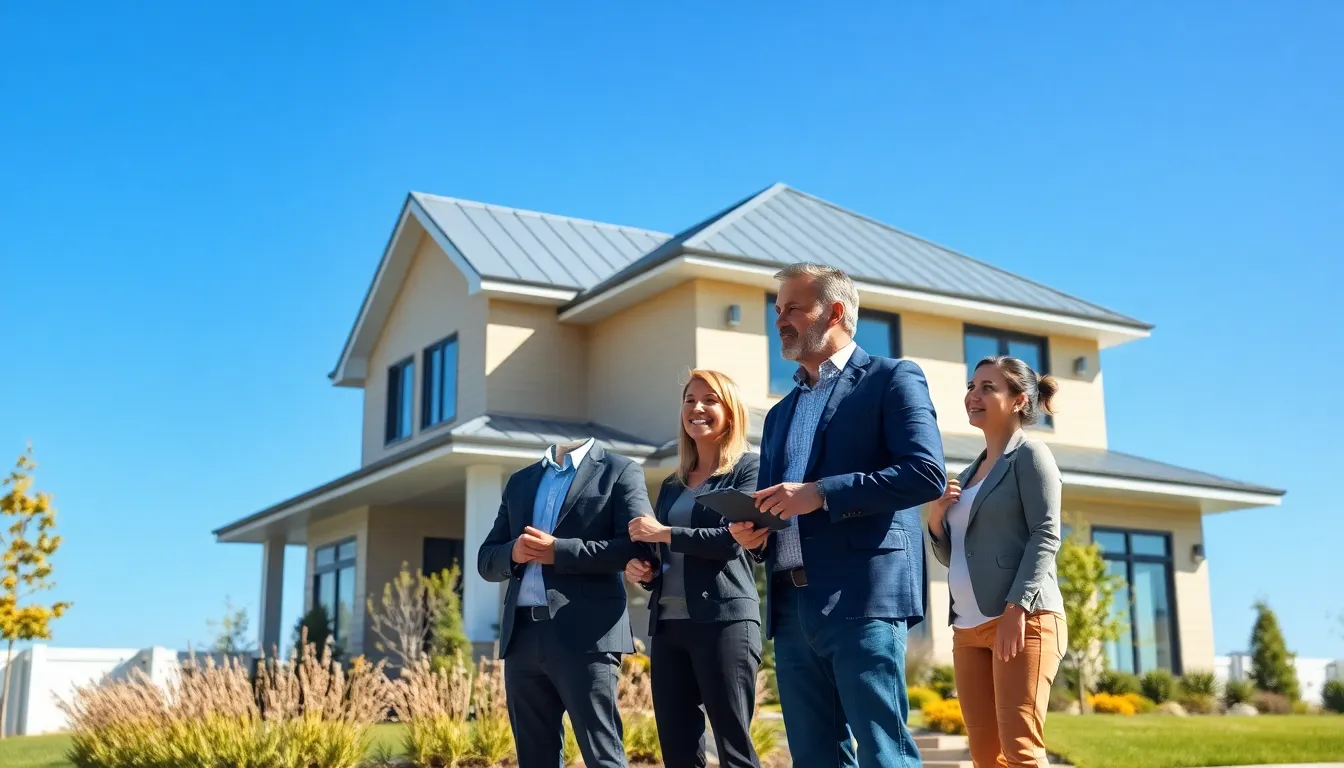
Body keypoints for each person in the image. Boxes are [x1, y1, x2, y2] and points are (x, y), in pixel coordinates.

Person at [729, 263, 947, 768]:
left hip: (863, 596)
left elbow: (925, 474)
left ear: (834, 312)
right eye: (777, 309)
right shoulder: (780, 413)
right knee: (814, 757)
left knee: (883, 754)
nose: (779, 320)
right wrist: (756, 533)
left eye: (793, 308)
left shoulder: (892, 378)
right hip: (791, 605)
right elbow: (779, 501)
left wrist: (822, 493)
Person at [926, 356, 1066, 768]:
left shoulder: (1031, 455)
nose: (974, 395)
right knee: (985, 757)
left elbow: (1046, 534)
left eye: (988, 387)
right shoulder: (967, 475)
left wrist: (1015, 608)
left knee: (1020, 751)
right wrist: (935, 520)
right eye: (972, 386)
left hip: (1023, 619)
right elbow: (955, 556)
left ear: (1019, 400)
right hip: (967, 628)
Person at [477, 438, 652, 768]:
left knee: (603, 757)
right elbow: (486, 559)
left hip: (588, 637)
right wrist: (513, 552)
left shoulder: (620, 470)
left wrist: (559, 551)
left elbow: (638, 547)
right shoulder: (520, 481)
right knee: (534, 759)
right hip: (522, 639)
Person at [623, 370, 763, 768]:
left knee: (733, 748)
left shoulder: (748, 469)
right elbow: (664, 553)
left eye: (709, 400)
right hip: (668, 627)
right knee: (678, 750)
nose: (696, 408)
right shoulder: (673, 483)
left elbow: (729, 540)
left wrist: (664, 533)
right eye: (689, 400)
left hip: (724, 621)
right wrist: (646, 571)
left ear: (731, 412)